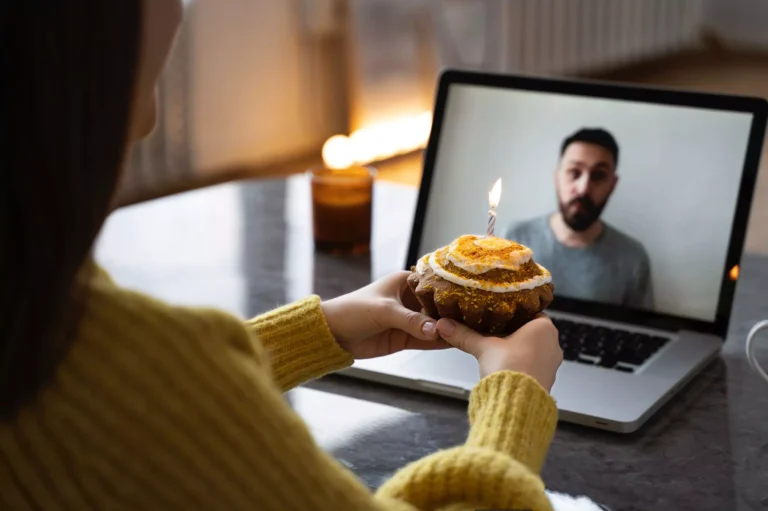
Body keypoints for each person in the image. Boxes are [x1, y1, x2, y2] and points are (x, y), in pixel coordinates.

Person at [0, 2, 564, 510]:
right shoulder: (106, 354)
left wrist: (321, 331)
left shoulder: (37, 310)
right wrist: (516, 395)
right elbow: (146, 392)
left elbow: (125, 411)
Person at [506, 128, 654, 310]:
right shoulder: (515, 239)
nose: (583, 188)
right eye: (574, 172)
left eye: (598, 175)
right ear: (557, 177)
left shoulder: (633, 257)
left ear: (612, 185)